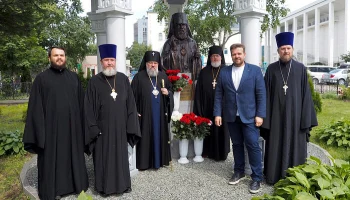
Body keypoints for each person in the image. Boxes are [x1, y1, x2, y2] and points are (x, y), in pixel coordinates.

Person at [23, 47, 88, 200]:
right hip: (51, 130)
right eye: (56, 55)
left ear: (65, 57)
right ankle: (53, 189)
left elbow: (82, 105)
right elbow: (35, 108)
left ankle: (75, 186)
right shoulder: (41, 79)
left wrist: (84, 128)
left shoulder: (73, 78)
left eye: (62, 55)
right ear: (49, 58)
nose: (59, 58)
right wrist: (39, 133)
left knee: (72, 156)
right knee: (52, 160)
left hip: (73, 129)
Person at [261, 32, 318, 184]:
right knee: (275, 145)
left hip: (296, 117)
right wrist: (265, 118)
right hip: (276, 117)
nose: (286, 51)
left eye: (288, 48)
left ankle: (295, 177)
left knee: (295, 146)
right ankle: (273, 176)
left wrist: (306, 119)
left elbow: (306, 95)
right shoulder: (271, 70)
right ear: (278, 51)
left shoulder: (300, 69)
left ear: (292, 49)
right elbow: (265, 95)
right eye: (282, 49)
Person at [84, 44, 141, 196]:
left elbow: (131, 105)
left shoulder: (122, 79)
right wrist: (94, 128)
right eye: (106, 60)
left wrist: (131, 126)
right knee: (103, 159)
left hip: (120, 129)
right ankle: (104, 188)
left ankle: (122, 185)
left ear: (115, 61)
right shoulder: (94, 82)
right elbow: (88, 108)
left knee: (120, 158)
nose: (109, 63)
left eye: (112, 60)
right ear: (101, 61)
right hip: (102, 131)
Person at [213, 43, 266, 193]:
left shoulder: (255, 71)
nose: (237, 56)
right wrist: (217, 114)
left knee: (252, 145)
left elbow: (261, 95)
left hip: (250, 116)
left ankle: (257, 177)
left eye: (239, 53)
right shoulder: (224, 72)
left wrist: (260, 115)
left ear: (244, 54)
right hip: (231, 116)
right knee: (236, 144)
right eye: (234, 54)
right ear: (231, 55)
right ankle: (239, 171)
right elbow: (218, 95)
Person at [131, 51, 174, 170]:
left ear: (158, 64)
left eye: (155, 63)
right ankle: (145, 163)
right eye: (150, 63)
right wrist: (135, 112)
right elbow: (131, 97)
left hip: (160, 115)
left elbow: (170, 92)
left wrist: (168, 93)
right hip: (144, 115)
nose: (153, 65)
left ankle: (159, 161)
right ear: (146, 64)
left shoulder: (163, 76)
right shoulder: (138, 77)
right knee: (145, 137)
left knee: (159, 135)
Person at [193, 45, 230, 161]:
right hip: (207, 107)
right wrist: (198, 109)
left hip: (223, 108)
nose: (215, 58)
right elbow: (198, 91)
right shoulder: (204, 72)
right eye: (213, 56)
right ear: (209, 58)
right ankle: (208, 152)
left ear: (221, 57)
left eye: (217, 56)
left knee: (222, 130)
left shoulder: (227, 70)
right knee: (209, 130)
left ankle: (222, 153)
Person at [161, 12, 202, 80]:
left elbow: (197, 64)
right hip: (174, 80)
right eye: (179, 25)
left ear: (187, 26)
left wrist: (197, 59)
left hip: (189, 80)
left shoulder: (192, 43)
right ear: (174, 27)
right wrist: (172, 52)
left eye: (183, 25)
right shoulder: (169, 43)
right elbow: (163, 62)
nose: (181, 28)